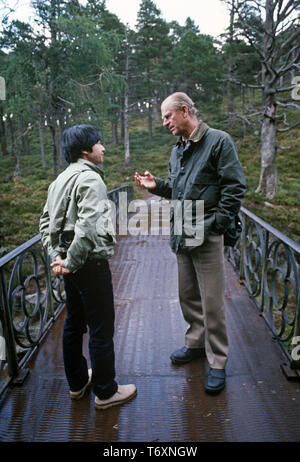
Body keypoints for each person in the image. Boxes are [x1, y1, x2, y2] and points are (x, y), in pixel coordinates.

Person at [135, 92, 246, 394]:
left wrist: (217, 226)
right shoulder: (178, 149)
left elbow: (234, 187)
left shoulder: (219, 141)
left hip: (207, 234)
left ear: (184, 111)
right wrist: (157, 186)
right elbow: (179, 191)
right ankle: (195, 344)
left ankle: (218, 361)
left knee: (212, 302)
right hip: (182, 233)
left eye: (168, 116)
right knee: (188, 296)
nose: (164, 123)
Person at [40, 124, 136, 409]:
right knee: (101, 327)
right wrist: (70, 261)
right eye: (99, 143)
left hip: (69, 263)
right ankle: (106, 392)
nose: (103, 147)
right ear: (86, 150)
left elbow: (45, 223)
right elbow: (88, 226)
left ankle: (78, 382)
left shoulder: (59, 180)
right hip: (88, 263)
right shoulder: (91, 179)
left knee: (74, 323)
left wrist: (57, 256)